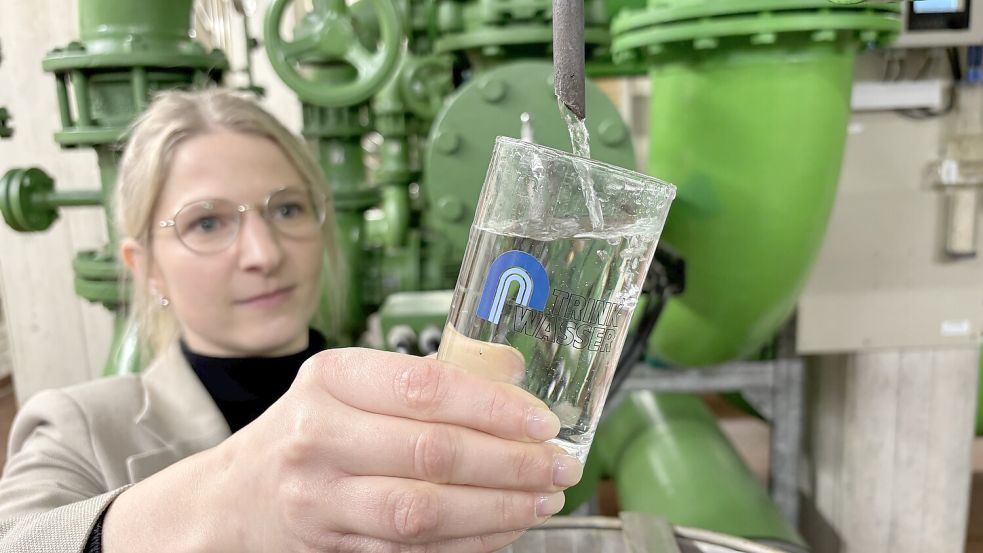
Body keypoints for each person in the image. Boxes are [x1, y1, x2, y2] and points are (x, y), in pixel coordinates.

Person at [0, 89, 582, 552]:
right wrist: (234, 499)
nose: (264, 253)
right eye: (207, 222)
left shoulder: (409, 407)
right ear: (146, 267)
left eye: (287, 209)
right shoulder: (80, 429)